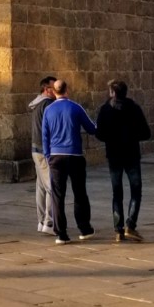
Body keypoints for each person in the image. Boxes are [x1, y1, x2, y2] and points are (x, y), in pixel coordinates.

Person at [94, 79, 151, 242]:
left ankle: (118, 230)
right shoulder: (134, 108)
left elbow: (99, 134)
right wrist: (131, 136)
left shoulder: (105, 110)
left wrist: (112, 138)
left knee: (117, 193)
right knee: (136, 191)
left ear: (113, 93)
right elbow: (146, 133)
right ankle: (130, 225)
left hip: (114, 155)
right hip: (131, 154)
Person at [41, 80, 96, 244]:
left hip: (56, 156)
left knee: (58, 196)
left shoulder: (48, 110)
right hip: (75, 155)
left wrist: (48, 156)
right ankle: (84, 228)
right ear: (67, 90)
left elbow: (45, 136)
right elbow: (91, 128)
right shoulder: (76, 107)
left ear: (54, 92)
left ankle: (61, 234)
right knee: (80, 193)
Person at [28, 76, 58, 232]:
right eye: (54, 88)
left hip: (36, 149)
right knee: (52, 187)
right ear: (47, 89)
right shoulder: (48, 104)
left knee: (41, 186)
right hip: (44, 149)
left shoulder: (37, 103)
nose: (56, 91)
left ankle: (41, 221)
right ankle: (49, 222)